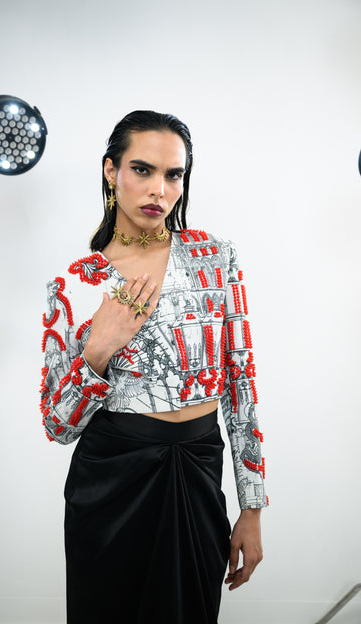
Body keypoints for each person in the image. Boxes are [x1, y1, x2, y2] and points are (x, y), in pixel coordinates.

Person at [40, 110, 268, 624]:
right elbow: (57, 425)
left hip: (196, 471)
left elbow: (241, 384)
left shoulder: (215, 259)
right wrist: (98, 350)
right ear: (110, 171)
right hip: (110, 482)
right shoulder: (76, 283)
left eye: (173, 175)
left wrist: (251, 509)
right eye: (142, 170)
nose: (159, 190)